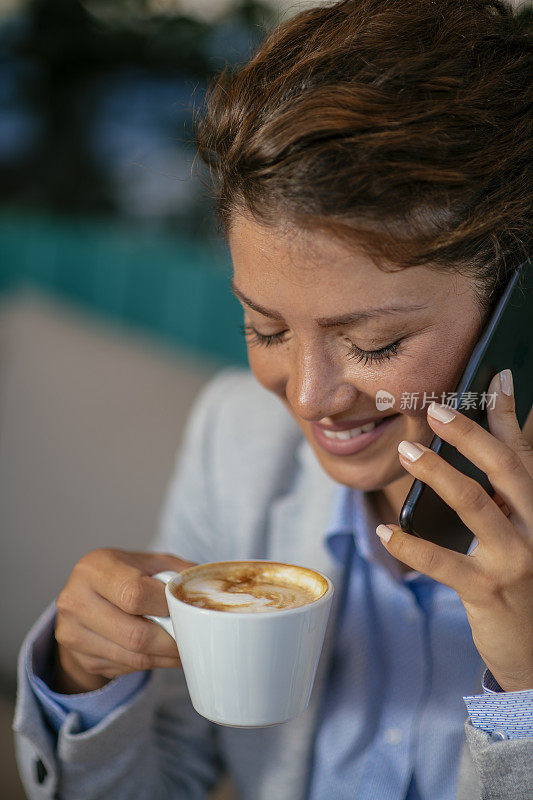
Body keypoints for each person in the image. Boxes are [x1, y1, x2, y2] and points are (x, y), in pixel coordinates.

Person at [14, 1, 533, 798]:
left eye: (373, 344)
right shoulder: (237, 439)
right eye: (263, 328)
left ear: (514, 310)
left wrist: (525, 694)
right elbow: (166, 778)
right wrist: (83, 678)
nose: (307, 396)